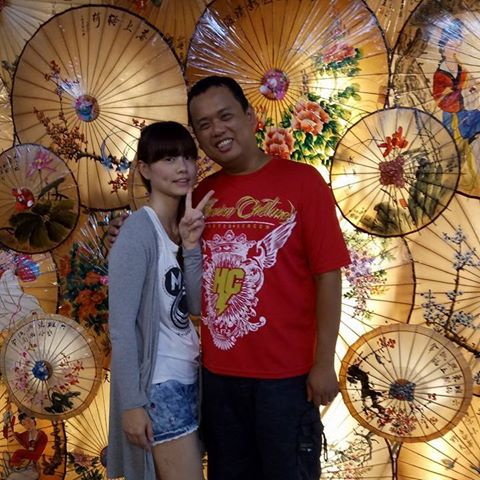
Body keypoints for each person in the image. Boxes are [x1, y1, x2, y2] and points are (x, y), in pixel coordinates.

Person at [109, 77, 350, 480]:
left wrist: (324, 362)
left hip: (286, 377)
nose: (217, 130)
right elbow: (164, 250)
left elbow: (328, 275)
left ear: (250, 116)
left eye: (225, 116)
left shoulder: (303, 182)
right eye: (204, 125)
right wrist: (124, 233)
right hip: (216, 379)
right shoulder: (200, 195)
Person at [106, 121, 213, 480]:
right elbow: (121, 328)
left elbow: (195, 307)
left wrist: (191, 246)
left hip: (188, 376)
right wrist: (132, 405)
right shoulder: (138, 232)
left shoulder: (179, 227)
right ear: (145, 169)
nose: (183, 168)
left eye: (188, 157)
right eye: (169, 159)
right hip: (159, 385)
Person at [432, 18, 480, 193]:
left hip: (466, 112)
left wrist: (474, 87)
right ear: (444, 46)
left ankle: (474, 178)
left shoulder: (461, 68)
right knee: (455, 151)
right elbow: (440, 99)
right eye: (451, 45)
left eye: (457, 45)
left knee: (473, 143)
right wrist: (460, 90)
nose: (455, 48)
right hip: (451, 117)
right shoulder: (440, 74)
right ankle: (460, 179)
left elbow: (471, 84)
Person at [6, 413, 47, 480]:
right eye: (24, 424)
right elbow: (8, 435)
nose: (27, 425)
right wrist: (10, 417)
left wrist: (19, 453)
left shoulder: (42, 436)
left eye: (29, 421)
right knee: (10, 477)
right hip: (21, 465)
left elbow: (36, 456)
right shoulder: (24, 435)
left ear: (34, 419)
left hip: (32, 468)